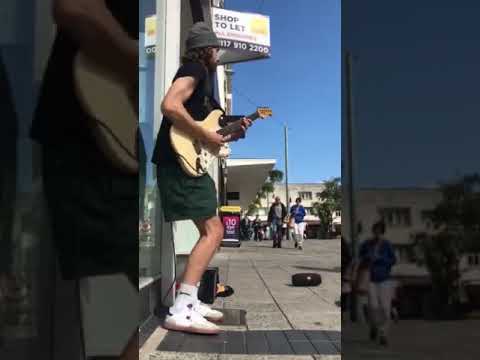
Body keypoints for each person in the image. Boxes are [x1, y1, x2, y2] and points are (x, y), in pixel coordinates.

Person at [30, 1, 139, 358]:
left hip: (109, 144)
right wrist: (138, 65)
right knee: (125, 322)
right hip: (94, 139)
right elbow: (74, 5)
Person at [151, 22, 252, 335]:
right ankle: (181, 307)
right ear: (207, 48)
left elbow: (209, 133)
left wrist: (230, 134)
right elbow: (169, 105)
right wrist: (206, 133)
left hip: (187, 161)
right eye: (216, 48)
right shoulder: (194, 67)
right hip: (179, 162)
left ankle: (190, 301)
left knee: (212, 231)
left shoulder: (202, 77)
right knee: (213, 231)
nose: (218, 53)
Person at [359, 221, 396, 346]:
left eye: (380, 231)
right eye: (375, 230)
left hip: (384, 279)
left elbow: (393, 260)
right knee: (373, 307)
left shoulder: (387, 245)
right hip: (370, 279)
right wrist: (369, 257)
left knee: (385, 308)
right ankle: (374, 326)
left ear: (382, 232)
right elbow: (360, 258)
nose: (377, 233)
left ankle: (383, 334)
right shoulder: (367, 244)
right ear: (373, 231)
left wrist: (380, 258)